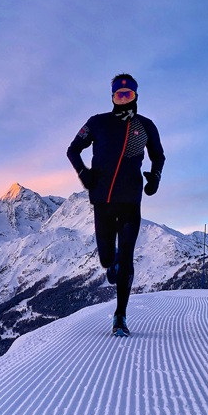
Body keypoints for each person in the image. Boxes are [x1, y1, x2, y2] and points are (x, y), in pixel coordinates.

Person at [67, 73, 165, 336]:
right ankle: (113, 264)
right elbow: (73, 149)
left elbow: (159, 156)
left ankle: (120, 316)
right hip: (103, 202)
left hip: (131, 202)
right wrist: (83, 173)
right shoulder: (97, 123)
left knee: (127, 257)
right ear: (112, 96)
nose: (123, 100)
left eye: (128, 95)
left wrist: (154, 179)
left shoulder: (145, 126)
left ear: (136, 96)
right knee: (107, 258)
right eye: (119, 95)